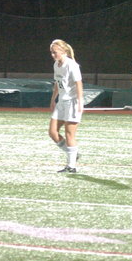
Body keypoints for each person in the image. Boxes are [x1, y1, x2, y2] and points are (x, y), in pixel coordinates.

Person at [48, 39, 83, 173]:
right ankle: (73, 154)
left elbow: (79, 83)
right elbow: (58, 83)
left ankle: (71, 166)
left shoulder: (72, 65)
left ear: (63, 51)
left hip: (72, 102)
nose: (53, 55)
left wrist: (80, 102)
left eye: (55, 52)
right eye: (51, 52)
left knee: (69, 135)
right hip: (61, 102)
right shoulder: (56, 65)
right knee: (52, 132)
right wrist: (53, 99)